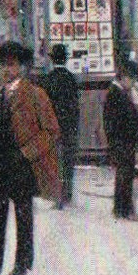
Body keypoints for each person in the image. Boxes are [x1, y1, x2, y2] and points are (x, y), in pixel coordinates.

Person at [0, 41, 61, 275]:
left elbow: (51, 131)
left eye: (12, 65)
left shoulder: (35, 94)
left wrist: (27, 153)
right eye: (4, 65)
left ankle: (21, 264)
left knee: (23, 215)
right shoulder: (2, 94)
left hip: (21, 164)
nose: (7, 70)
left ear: (22, 67)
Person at [103, 57, 138, 222]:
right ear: (125, 77)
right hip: (122, 140)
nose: (133, 83)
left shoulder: (118, 92)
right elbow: (127, 118)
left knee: (124, 174)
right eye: (133, 79)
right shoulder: (117, 94)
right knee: (125, 175)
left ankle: (120, 209)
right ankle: (126, 210)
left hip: (120, 140)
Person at [39, 44, 81, 208]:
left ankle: (57, 197)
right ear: (66, 58)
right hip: (69, 126)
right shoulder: (71, 79)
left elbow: (43, 106)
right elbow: (75, 105)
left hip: (53, 127)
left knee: (55, 162)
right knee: (69, 161)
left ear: (51, 59)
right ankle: (68, 194)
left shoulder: (47, 80)